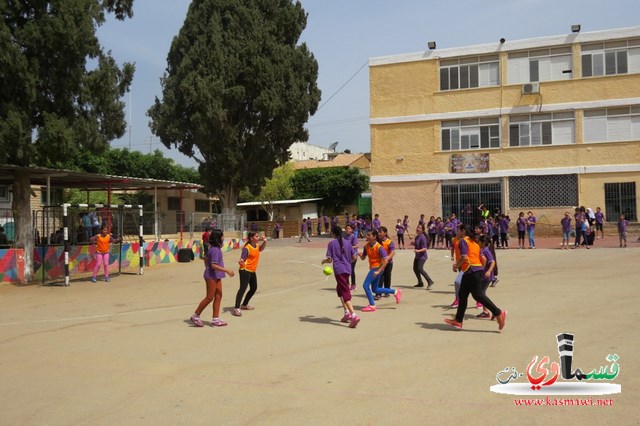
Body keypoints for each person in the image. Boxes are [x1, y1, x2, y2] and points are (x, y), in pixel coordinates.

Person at [444, 225, 507, 331]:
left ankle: (498, 312)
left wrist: (456, 266)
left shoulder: (464, 241)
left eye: (459, 230)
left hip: (471, 271)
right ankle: (458, 320)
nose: (457, 232)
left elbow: (464, 257)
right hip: (472, 271)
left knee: (478, 295)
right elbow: (483, 258)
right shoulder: (475, 243)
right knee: (462, 295)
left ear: (463, 231)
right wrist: (480, 269)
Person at [190, 229, 235, 327]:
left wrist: (208, 267)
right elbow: (213, 265)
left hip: (217, 276)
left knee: (218, 295)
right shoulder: (214, 250)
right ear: (218, 237)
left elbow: (206, 259)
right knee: (209, 297)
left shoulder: (215, 248)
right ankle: (195, 315)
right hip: (211, 276)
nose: (224, 237)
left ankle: (215, 319)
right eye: (222, 236)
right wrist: (227, 270)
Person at [322, 225, 360, 328]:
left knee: (344, 291)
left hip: (339, 270)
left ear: (333, 234)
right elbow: (354, 257)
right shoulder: (347, 243)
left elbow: (330, 260)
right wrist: (347, 262)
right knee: (339, 290)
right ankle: (346, 312)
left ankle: (354, 315)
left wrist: (324, 261)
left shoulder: (331, 244)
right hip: (348, 270)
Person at [360, 229, 401, 312]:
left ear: (374, 237)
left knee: (365, 285)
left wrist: (378, 271)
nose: (367, 236)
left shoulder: (379, 247)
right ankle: (395, 291)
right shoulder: (366, 246)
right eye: (367, 235)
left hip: (377, 268)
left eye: (369, 235)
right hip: (373, 268)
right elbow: (363, 258)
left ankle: (372, 305)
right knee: (375, 289)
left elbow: (386, 260)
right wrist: (360, 255)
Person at [232, 231, 267, 316]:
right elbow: (242, 258)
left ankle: (244, 305)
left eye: (258, 236)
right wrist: (241, 261)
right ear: (251, 238)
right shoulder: (247, 248)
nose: (258, 238)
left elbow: (261, 249)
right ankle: (236, 308)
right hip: (245, 270)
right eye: (256, 236)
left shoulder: (257, 245)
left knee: (253, 288)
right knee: (242, 289)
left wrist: (265, 241)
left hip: (252, 270)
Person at [476, 235, 497, 319]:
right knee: (481, 293)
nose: (478, 243)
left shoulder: (486, 250)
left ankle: (491, 311)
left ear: (483, 243)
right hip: (483, 275)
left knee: (481, 294)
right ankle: (487, 311)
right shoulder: (482, 250)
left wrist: (488, 271)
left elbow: (492, 262)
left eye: (479, 241)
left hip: (486, 276)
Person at [412, 224, 435, 289]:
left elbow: (425, 248)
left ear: (422, 230)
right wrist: (413, 243)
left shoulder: (423, 238)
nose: (418, 228)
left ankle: (430, 281)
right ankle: (420, 283)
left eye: (419, 228)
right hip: (417, 256)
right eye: (417, 227)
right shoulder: (417, 237)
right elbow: (417, 244)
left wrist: (418, 251)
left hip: (422, 256)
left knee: (420, 269)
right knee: (415, 269)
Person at [376, 226, 395, 298]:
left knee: (387, 277)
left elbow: (392, 252)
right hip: (380, 263)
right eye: (378, 232)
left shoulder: (389, 242)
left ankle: (387, 292)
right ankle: (378, 293)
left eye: (380, 232)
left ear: (385, 233)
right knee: (380, 277)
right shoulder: (377, 242)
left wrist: (387, 259)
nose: (379, 233)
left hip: (388, 263)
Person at [344, 224, 359, 291]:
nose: (347, 230)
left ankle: (353, 284)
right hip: (346, 256)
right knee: (346, 270)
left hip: (353, 256)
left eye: (349, 228)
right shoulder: (345, 237)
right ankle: (347, 284)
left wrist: (349, 247)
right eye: (346, 228)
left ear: (352, 230)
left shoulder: (353, 237)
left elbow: (356, 245)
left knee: (351, 270)